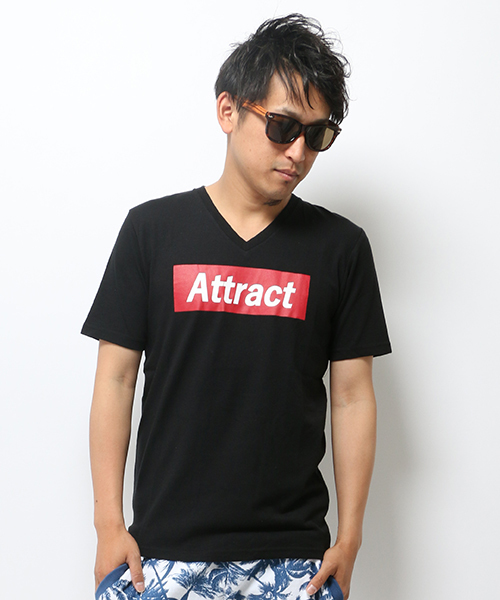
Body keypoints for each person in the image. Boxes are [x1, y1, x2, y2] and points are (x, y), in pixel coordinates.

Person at [82, 13, 391, 600]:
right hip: (161, 554)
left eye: (317, 136)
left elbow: (352, 396)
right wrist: (108, 525)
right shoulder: (152, 232)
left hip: (294, 561)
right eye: (282, 126)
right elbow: (116, 379)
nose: (298, 151)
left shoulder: (341, 248)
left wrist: (350, 538)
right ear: (228, 110)